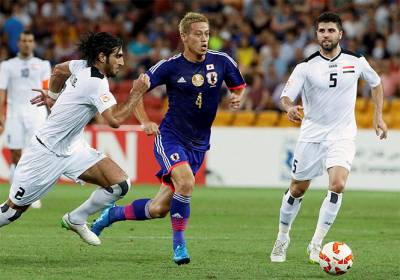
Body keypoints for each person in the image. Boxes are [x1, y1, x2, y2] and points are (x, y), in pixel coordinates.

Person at [91, 12, 246, 265]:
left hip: (199, 144)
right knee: (186, 182)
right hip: (171, 138)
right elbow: (137, 90)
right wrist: (144, 121)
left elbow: (239, 87)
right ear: (184, 36)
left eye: (207, 34)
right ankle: (179, 246)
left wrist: (238, 97)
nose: (204, 39)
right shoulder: (169, 66)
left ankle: (112, 215)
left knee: (158, 209)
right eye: (198, 34)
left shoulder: (222, 61)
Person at [0, 32, 149, 247]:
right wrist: (137, 93)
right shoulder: (96, 83)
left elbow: (59, 69)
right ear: (101, 56)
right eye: (117, 56)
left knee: (120, 184)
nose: (122, 62)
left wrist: (52, 96)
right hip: (45, 153)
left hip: (73, 148)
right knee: (11, 212)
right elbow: (114, 120)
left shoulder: (81, 66)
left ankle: (76, 219)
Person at [269, 12, 388, 263]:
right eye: (322, 31)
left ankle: (316, 244)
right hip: (312, 135)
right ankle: (282, 237)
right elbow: (285, 97)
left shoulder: (356, 61)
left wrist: (378, 116)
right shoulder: (306, 66)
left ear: (340, 34)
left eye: (330, 31)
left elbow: (376, 84)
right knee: (297, 189)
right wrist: (289, 107)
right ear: (317, 35)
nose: (326, 35)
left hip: (342, 135)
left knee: (337, 185)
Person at [0, 30, 51, 209]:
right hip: (14, 113)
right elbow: (2, 91)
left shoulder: (43, 64)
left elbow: (48, 89)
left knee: (34, 153)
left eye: (30, 40)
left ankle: (30, 194)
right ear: (18, 43)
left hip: (36, 113)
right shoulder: (7, 65)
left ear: (34, 44)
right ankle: (17, 193)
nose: (27, 43)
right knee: (15, 153)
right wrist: (1, 114)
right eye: (24, 40)